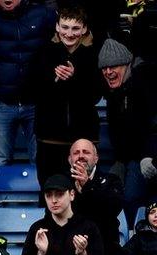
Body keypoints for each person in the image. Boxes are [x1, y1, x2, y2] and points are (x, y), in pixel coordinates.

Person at [0, 0, 57, 173]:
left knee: (40, 161)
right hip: (1, 104)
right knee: (0, 163)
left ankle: (42, 200)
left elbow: (64, 39)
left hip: (35, 104)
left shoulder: (43, 14)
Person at [32, 5, 101, 192]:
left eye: (75, 28)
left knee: (83, 195)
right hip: (49, 140)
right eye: (65, 27)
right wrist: (52, 77)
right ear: (57, 27)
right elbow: (31, 90)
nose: (69, 33)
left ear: (85, 29)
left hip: (83, 140)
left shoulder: (94, 55)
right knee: (51, 194)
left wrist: (75, 78)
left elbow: (97, 94)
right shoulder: (43, 52)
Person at [97, 38, 157, 226]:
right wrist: (120, 162)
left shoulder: (147, 83)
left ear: (127, 64)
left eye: (113, 66)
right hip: (133, 160)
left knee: (134, 196)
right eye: (104, 68)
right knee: (126, 198)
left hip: (150, 157)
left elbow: (154, 123)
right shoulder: (114, 92)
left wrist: (150, 155)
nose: (108, 72)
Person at [68, 139, 128, 255]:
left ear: (96, 157)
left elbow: (112, 208)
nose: (81, 156)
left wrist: (88, 186)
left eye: (86, 152)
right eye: (76, 152)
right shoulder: (61, 185)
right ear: (69, 159)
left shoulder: (111, 181)